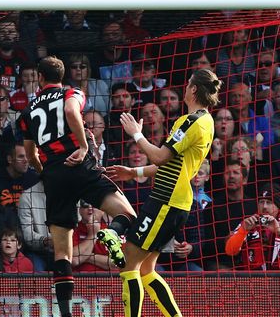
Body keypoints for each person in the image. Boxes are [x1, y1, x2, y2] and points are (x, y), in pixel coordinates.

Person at [20, 56, 137, 317]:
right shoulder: (71, 92)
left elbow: (30, 156)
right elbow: (72, 111)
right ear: (61, 76)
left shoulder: (27, 112)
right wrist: (84, 147)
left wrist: (47, 173)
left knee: (62, 253)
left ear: (40, 77)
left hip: (53, 176)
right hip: (79, 166)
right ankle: (111, 233)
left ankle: (65, 314)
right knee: (128, 215)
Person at [106, 68, 221, 317]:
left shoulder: (190, 122)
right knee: (147, 269)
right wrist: (133, 172)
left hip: (166, 200)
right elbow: (169, 165)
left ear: (193, 89)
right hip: (174, 200)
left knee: (128, 265)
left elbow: (159, 156)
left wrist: (136, 133)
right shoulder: (207, 121)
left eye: (188, 83)